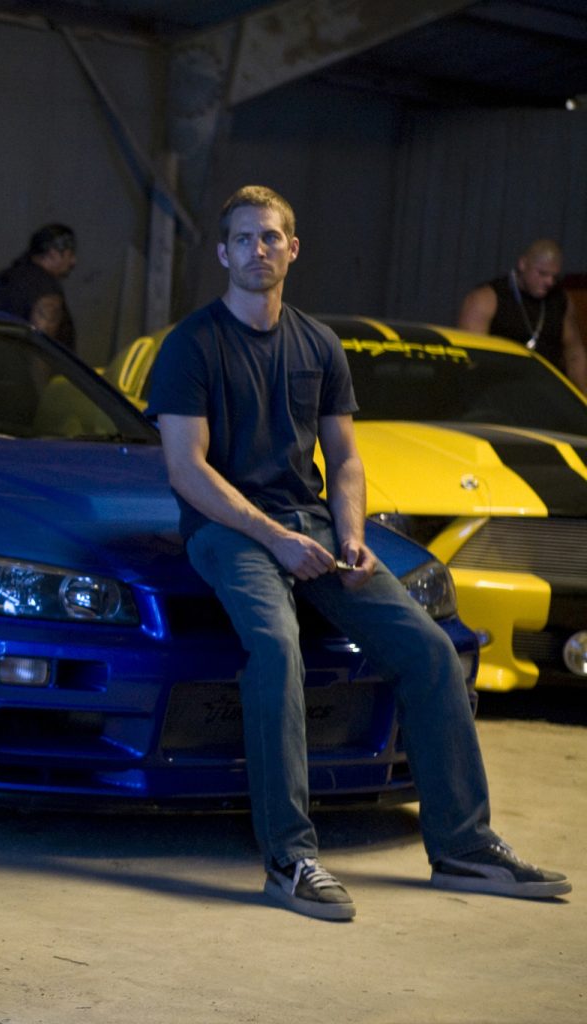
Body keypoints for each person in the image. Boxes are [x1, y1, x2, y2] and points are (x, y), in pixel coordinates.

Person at [146, 184, 570, 922]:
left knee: (430, 650)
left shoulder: (317, 344)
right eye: (243, 239)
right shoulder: (193, 343)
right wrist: (276, 538)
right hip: (227, 531)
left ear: (293, 248)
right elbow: (187, 469)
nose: (257, 250)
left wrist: (350, 535)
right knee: (277, 649)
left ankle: (465, 847)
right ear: (223, 252)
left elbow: (344, 458)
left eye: (270, 237)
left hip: (313, 525)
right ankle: (291, 859)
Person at [457, 238, 587, 392]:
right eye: (542, 273)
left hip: (546, 391)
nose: (549, 282)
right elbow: (471, 357)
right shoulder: (486, 298)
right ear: (523, 264)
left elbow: (574, 354)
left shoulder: (560, 300)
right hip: (499, 390)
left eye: (555, 277)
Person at [0, 223, 78, 349]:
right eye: (70, 255)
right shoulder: (46, 287)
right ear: (53, 254)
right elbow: (42, 344)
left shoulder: (2, 280)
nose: (73, 261)